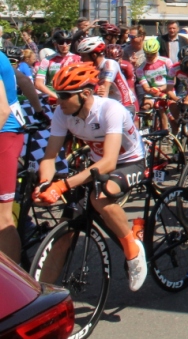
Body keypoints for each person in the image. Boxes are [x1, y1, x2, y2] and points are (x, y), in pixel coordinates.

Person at [34, 63, 149, 292]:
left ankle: (133, 247)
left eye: (64, 95)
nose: (58, 100)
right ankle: (40, 296)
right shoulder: (62, 113)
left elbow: (109, 162)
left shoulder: (110, 109)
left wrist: (62, 185)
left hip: (129, 162)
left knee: (101, 196)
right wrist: (45, 184)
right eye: (58, 94)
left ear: (86, 93)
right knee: (64, 233)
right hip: (98, 167)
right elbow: (49, 156)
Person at [0, 48, 27, 262]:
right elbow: (23, 80)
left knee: (2, 218)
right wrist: (38, 110)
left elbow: (2, 110)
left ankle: (14, 277)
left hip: (4, 134)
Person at [77, 36, 137, 113]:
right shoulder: (93, 68)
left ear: (94, 55)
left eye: (83, 56)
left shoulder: (109, 64)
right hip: (111, 107)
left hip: (125, 106)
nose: (81, 59)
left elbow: (104, 91)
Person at [34, 29, 81, 99]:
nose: (65, 45)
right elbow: (38, 84)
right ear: (55, 44)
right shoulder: (47, 60)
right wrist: (56, 96)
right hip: (53, 96)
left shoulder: (78, 59)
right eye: (61, 42)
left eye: (68, 42)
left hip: (71, 96)